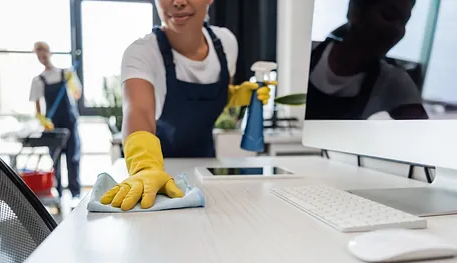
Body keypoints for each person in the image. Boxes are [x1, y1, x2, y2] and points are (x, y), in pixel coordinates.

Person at [100, 0, 274, 211]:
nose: (179, 2)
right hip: (157, 176)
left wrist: (236, 96)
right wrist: (145, 167)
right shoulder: (142, 53)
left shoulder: (226, 43)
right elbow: (139, 111)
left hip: (207, 169)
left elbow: (214, 95)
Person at [306, 0, 429, 120]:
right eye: (389, 15)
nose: (397, 30)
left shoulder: (394, 81)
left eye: (404, 22)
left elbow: (423, 136)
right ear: (355, 11)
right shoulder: (304, 51)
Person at [30, 41, 82, 206]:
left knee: (73, 158)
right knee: (56, 159)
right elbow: (37, 108)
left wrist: (71, 81)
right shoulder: (38, 80)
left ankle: (76, 194)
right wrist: (43, 121)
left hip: (69, 121)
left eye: (43, 53)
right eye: (39, 55)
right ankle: (58, 194)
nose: (42, 57)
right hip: (53, 126)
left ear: (49, 52)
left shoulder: (66, 73)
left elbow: (77, 94)